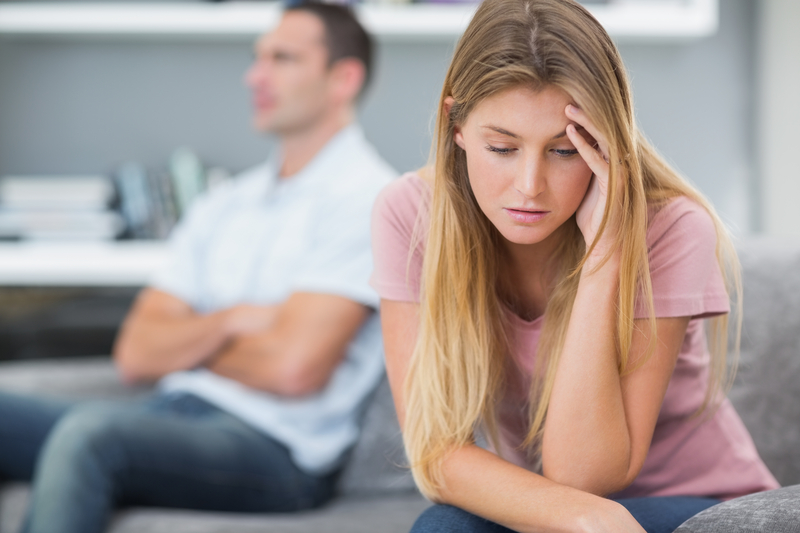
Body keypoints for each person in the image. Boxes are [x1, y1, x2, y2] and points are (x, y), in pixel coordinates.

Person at [370, 0, 779, 532]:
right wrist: (589, 519)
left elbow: (583, 472)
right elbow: (435, 454)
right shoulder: (410, 214)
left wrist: (605, 249)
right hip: (568, 509)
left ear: (606, 146)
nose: (529, 186)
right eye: (502, 147)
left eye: (564, 152)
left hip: (698, 502)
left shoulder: (673, 227)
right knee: (444, 527)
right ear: (457, 126)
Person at [0, 3, 395, 533]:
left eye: (282, 58)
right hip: (171, 415)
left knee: (90, 433)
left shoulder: (369, 201)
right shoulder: (226, 202)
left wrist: (187, 341)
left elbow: (293, 368)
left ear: (343, 77)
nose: (254, 75)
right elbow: (136, 353)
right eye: (258, 57)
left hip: (275, 450)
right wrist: (232, 320)